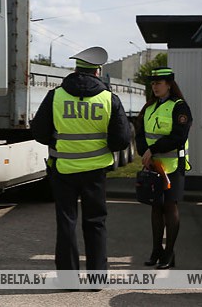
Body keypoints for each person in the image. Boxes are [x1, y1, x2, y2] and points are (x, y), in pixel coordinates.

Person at [31, 46, 130, 271]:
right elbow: (122, 140)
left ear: (75, 70)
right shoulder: (109, 99)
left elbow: (39, 133)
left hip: (63, 169)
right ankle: (97, 278)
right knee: (95, 223)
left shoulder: (55, 95)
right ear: (97, 72)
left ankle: (67, 277)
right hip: (96, 171)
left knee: (66, 222)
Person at [136, 67, 192, 269]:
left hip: (172, 166)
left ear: (169, 84)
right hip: (153, 165)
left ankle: (169, 253)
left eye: (158, 83)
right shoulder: (149, 107)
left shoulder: (180, 107)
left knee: (170, 207)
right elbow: (140, 132)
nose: (155, 86)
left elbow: (179, 136)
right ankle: (156, 250)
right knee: (155, 207)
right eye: (152, 83)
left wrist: (154, 149)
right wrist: (145, 152)